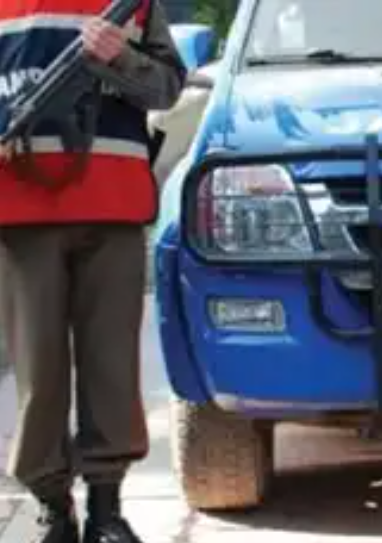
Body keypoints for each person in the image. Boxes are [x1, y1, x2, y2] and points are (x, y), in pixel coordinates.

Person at [0, 1, 185, 542]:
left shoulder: (133, 6)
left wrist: (120, 58)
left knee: (112, 366)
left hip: (113, 203)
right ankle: (53, 507)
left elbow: (168, 89)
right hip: (20, 211)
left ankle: (107, 510)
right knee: (40, 371)